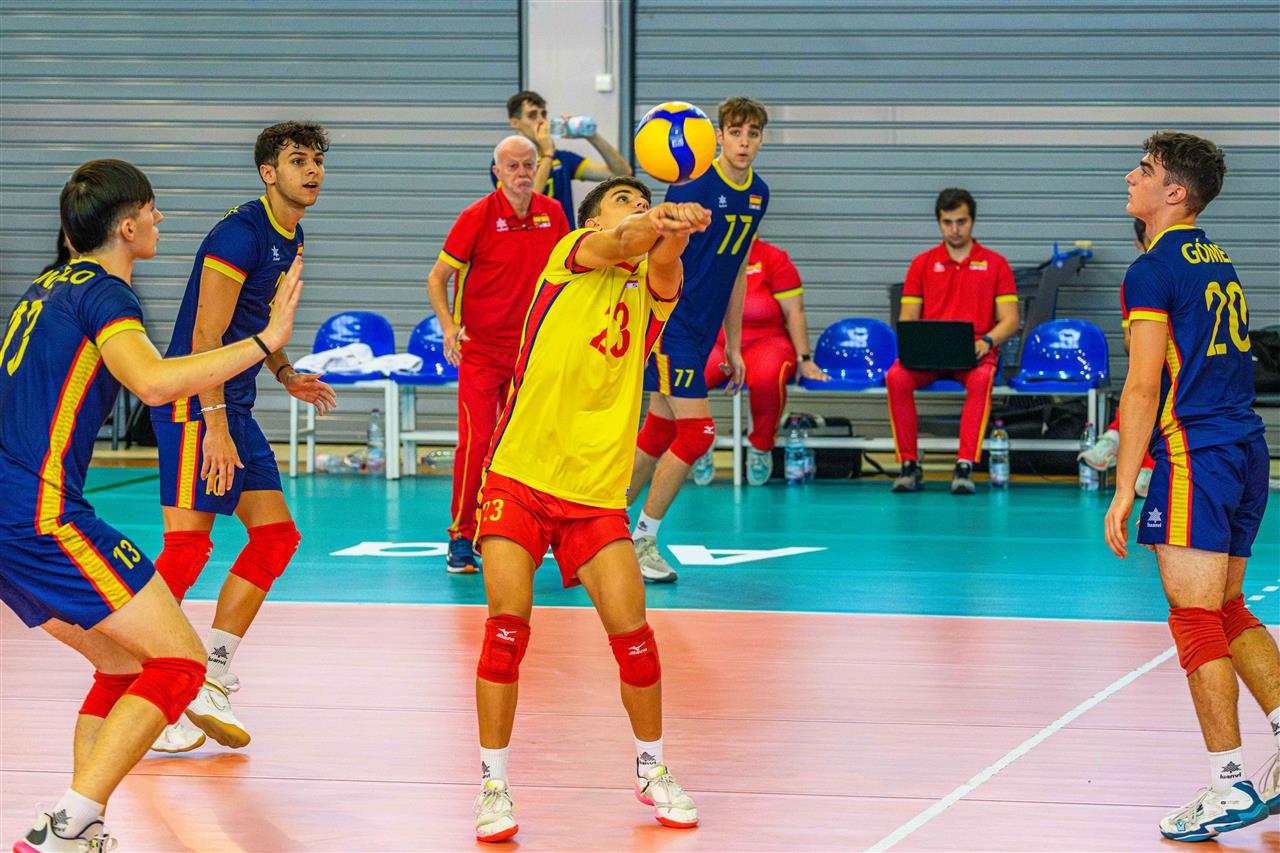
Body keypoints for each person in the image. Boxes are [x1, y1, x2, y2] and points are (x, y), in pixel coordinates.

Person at [1, 159, 306, 851]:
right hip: (39, 515)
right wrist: (265, 341)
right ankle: (67, 826)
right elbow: (155, 383)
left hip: (12, 513)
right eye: (152, 209)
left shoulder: (44, 288)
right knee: (181, 664)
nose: (161, 219)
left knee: (121, 665)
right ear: (127, 227)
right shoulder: (105, 293)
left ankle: (83, 825)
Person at [469, 177, 709, 843]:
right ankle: (493, 784)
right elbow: (628, 238)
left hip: (595, 493)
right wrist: (657, 217)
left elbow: (663, 256)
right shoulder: (572, 253)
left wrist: (677, 226)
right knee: (507, 630)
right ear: (593, 219)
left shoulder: (651, 288)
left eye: (643, 199)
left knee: (636, 640)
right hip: (521, 473)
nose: (637, 208)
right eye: (623, 199)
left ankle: (652, 769)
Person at [1104, 131, 1279, 841]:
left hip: (1196, 455)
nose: (1130, 177)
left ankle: (1229, 786)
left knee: (1195, 617)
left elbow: (1144, 386)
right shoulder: (1217, 258)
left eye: (1144, 170)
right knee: (1227, 607)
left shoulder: (1151, 269)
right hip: (1246, 448)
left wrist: (1124, 486)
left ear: (1174, 192)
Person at [146, 121, 335, 752]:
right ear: (267, 173)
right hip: (194, 404)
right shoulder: (240, 234)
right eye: (298, 160)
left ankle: (211, 673)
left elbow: (256, 325)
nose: (312, 170)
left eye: (317, 160)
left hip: (234, 401)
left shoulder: (292, 233)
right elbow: (206, 337)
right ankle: (148, 686)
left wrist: (285, 373)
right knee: (187, 550)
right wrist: (217, 428)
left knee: (276, 537)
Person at [628, 96, 770, 582]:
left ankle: (595, 524)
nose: (744, 142)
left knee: (659, 431)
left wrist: (733, 344)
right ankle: (642, 539)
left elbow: (738, 271)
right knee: (698, 433)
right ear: (718, 136)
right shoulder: (691, 182)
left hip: (702, 330)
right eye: (736, 132)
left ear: (761, 139)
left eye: (753, 133)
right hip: (670, 321)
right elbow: (658, 248)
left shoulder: (759, 194)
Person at [427, 135, 570, 573]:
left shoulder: (553, 213)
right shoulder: (477, 217)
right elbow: (437, 278)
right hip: (483, 353)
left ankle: (537, 529)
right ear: (497, 172)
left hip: (535, 352)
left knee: (537, 444)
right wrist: (448, 327)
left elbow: (569, 273)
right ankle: (461, 535)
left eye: (528, 165)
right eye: (512, 166)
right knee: (477, 442)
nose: (522, 173)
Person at [886, 188, 1018, 495]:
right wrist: (918, 343)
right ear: (939, 222)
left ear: (972, 221)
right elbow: (907, 318)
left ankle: (964, 465)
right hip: (929, 355)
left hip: (976, 352)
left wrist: (987, 341)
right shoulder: (921, 263)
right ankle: (908, 464)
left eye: (961, 222)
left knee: (982, 379)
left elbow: (1010, 320)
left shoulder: (995, 264)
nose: (954, 229)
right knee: (896, 377)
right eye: (947, 222)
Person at [700, 237, 829, 485]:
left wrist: (804, 358)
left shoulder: (774, 258)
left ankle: (761, 446)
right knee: (690, 374)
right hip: (717, 341)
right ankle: (697, 440)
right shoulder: (706, 252)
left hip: (766, 340)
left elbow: (794, 311)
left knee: (767, 378)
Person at [1079, 217, 1157, 495]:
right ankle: (1137, 459)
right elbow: (1128, 339)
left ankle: (1117, 437)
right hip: (1150, 362)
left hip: (1183, 365)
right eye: (1151, 242)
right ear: (1140, 245)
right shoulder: (1134, 281)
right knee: (1143, 380)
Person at [493, 90, 631, 228]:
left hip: (563, 239)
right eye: (532, 115)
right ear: (515, 122)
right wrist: (547, 153)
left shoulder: (562, 158)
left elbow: (621, 172)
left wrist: (592, 136)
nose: (541, 120)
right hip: (531, 238)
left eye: (543, 114)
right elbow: (526, 201)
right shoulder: (505, 163)